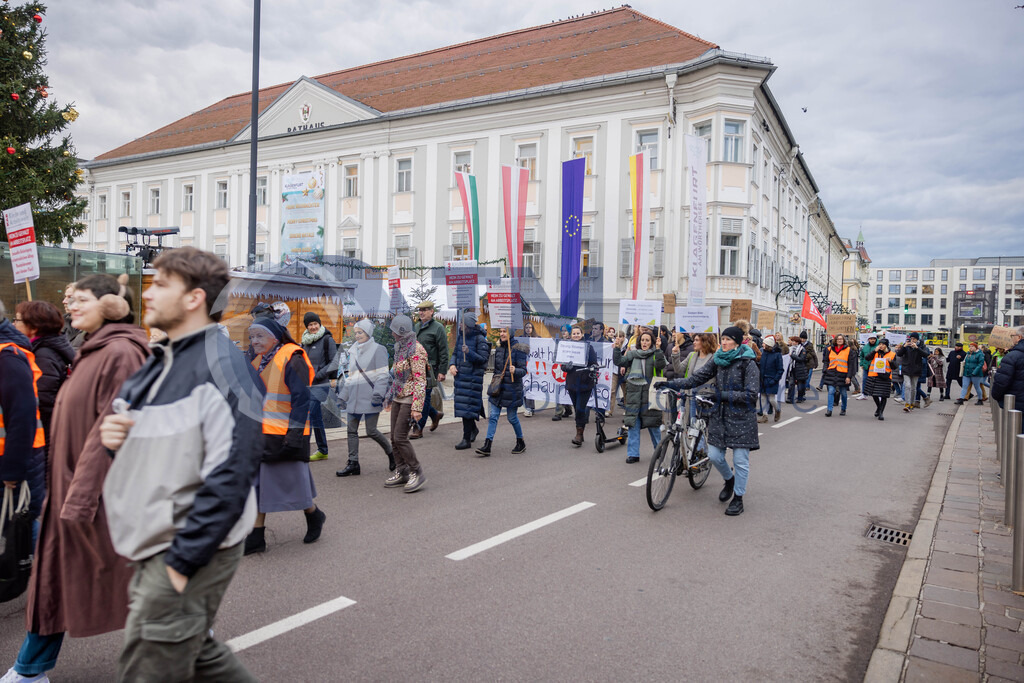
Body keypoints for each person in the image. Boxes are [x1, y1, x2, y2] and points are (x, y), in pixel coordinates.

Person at [97, 247, 261, 681]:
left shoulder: (225, 367)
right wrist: (117, 442)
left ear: (194, 298)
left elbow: (232, 476)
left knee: (148, 666)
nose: (147, 294)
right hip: (156, 539)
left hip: (187, 543)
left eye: (161, 284)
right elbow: (152, 454)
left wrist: (181, 561)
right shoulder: (157, 363)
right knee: (199, 657)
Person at [8, 275, 148, 683]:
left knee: (117, 576)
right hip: (73, 490)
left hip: (96, 496)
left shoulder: (121, 353)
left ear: (110, 305)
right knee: (59, 579)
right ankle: (30, 670)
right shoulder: (95, 349)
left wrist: (81, 497)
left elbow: (112, 429)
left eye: (80, 298)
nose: (68, 304)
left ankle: (188, 635)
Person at [243, 317, 325, 555]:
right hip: (262, 433)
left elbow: (302, 399)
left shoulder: (293, 357)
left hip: (285, 434)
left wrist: (295, 434)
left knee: (295, 482)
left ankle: (314, 515)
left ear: (274, 337)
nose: (254, 341)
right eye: (252, 336)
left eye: (259, 336)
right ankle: (257, 536)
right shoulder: (255, 358)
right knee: (259, 484)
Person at [659, 326, 759, 516]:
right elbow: (696, 378)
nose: (724, 342)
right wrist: (671, 383)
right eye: (723, 339)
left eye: (729, 339)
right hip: (719, 415)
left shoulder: (748, 363)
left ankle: (738, 498)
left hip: (741, 417)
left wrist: (722, 395)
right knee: (714, 456)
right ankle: (729, 480)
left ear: (737, 342)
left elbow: (751, 394)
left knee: (740, 460)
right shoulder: (718, 359)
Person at [0, 299, 46, 526]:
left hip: (11, 461)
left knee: (18, 536)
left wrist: (12, 469)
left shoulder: (8, 358)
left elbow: (22, 416)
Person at [336, 319, 394, 476]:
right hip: (354, 397)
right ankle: (353, 463)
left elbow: (383, 375)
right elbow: (352, 376)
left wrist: (378, 395)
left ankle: (391, 453)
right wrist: (343, 396)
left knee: (371, 430)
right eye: (355, 333)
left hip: (371, 397)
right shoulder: (354, 350)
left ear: (368, 332)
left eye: (360, 332)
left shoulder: (378, 349)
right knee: (351, 430)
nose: (357, 335)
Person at [13, 301, 74, 443]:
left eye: (17, 320)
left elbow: (43, 399)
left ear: (34, 327)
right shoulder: (40, 348)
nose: (14, 324)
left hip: (44, 430)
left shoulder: (43, 354)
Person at [382, 314, 428, 492]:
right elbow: (397, 376)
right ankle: (402, 472)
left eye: (394, 331)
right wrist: (389, 398)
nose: (392, 334)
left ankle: (417, 471)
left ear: (402, 333)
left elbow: (420, 380)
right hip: (398, 396)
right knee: (393, 437)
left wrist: (417, 408)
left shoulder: (416, 350)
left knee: (400, 437)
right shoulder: (401, 347)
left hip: (410, 398)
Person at [614, 329, 665, 464]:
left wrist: (659, 350)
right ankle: (633, 454)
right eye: (642, 340)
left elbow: (661, 365)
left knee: (653, 424)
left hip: (650, 394)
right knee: (633, 424)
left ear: (652, 342)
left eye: (647, 340)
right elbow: (619, 361)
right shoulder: (633, 354)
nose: (644, 342)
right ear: (639, 342)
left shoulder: (655, 354)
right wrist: (617, 348)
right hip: (634, 394)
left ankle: (659, 451)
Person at [476, 328, 528, 456]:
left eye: (505, 331)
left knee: (512, 418)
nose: (502, 334)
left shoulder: (519, 348)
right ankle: (487, 445)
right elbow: (496, 371)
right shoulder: (499, 349)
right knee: (493, 416)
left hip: (512, 389)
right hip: (498, 388)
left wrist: (515, 370)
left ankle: (520, 441)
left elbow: (523, 371)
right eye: (500, 331)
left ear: (510, 333)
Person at [301, 312, 338, 461]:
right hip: (307, 385)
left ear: (320, 324)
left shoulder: (327, 339)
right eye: (310, 325)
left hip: (320, 384)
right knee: (315, 417)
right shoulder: (305, 342)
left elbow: (334, 362)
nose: (313, 327)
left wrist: (317, 375)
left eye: (315, 323)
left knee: (309, 415)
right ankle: (323, 450)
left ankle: (303, 451)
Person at [450, 311, 490, 450]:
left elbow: (483, 360)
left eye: (462, 323)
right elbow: (455, 353)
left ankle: (466, 439)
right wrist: (452, 365)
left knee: (467, 409)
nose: (460, 325)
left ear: (468, 325)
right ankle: (473, 429)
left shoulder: (480, 339)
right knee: (464, 408)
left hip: (472, 379)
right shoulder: (462, 337)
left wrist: (469, 353)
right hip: (461, 377)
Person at [412, 301, 449, 439]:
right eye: (420, 310)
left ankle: (418, 427)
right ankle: (435, 414)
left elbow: (443, 351)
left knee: (424, 398)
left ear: (432, 311)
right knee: (418, 397)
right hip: (416, 368)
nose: (421, 312)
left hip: (430, 369)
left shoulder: (438, 328)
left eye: (425, 310)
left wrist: (442, 371)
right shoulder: (416, 327)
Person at [562, 325, 599, 447]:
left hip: (585, 383)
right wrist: (566, 367)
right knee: (577, 408)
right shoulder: (566, 347)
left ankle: (578, 434)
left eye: (578, 333)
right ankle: (580, 432)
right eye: (574, 334)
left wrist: (592, 368)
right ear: (571, 335)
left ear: (582, 334)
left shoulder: (589, 348)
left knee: (580, 408)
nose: (576, 335)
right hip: (572, 383)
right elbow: (562, 365)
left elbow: (594, 363)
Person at [992, 327, 1024, 421]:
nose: (1011, 338)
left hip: (1017, 403)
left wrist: (996, 395)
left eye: (1012, 336)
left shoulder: (1013, 356)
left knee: (1017, 431)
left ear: (1019, 337)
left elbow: (1002, 381)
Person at [821, 334, 856, 417]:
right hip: (831, 373)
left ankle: (843, 408)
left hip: (843, 374)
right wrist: (825, 369)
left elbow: (851, 365)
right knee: (831, 391)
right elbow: (826, 360)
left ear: (844, 340)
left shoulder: (848, 350)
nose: (839, 340)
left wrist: (849, 376)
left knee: (843, 393)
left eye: (841, 339)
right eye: (838, 339)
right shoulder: (829, 349)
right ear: (835, 340)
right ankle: (829, 410)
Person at [897, 333, 930, 411]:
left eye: (914, 339)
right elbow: (899, 354)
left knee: (914, 387)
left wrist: (917, 348)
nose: (912, 340)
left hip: (916, 369)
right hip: (906, 369)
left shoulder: (922, 346)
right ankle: (907, 403)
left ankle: (912, 403)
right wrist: (904, 347)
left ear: (917, 339)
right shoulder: (906, 346)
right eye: (911, 338)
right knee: (907, 385)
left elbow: (926, 355)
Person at [864, 339, 895, 420]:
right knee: (874, 394)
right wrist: (874, 351)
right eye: (880, 344)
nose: (881, 346)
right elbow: (867, 358)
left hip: (885, 377)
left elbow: (895, 367)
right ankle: (879, 407)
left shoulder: (892, 354)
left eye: (883, 344)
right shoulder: (876, 352)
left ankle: (881, 413)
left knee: (884, 395)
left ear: (887, 345)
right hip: (874, 375)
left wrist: (891, 361)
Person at [758, 335, 784, 423]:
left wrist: (775, 380)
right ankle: (764, 416)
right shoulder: (764, 352)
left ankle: (778, 410)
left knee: (771, 398)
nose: (762, 345)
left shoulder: (777, 355)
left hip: (771, 379)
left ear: (768, 345)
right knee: (763, 397)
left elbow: (780, 369)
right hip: (763, 379)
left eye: (764, 343)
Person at [551, 325, 574, 421]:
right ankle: (558, 413)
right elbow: (555, 354)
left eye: (566, 330)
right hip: (561, 368)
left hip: (571, 368)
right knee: (560, 389)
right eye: (562, 330)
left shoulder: (574, 342)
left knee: (568, 390)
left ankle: (568, 408)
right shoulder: (559, 342)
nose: (564, 332)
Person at [955, 342, 987, 406]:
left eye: (972, 346)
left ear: (976, 347)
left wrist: (975, 372)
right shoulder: (968, 354)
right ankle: (961, 399)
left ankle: (980, 399)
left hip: (976, 374)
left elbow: (980, 364)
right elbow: (965, 362)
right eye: (970, 346)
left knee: (977, 387)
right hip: (967, 373)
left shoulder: (980, 354)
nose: (971, 348)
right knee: (964, 386)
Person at [521, 321, 539, 417]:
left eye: (530, 327)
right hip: (524, 365)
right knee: (524, 387)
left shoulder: (537, 339)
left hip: (533, 366)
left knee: (530, 387)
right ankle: (528, 407)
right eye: (526, 327)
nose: (528, 329)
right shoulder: (521, 339)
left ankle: (530, 408)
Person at [787, 335, 808, 403]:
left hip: (800, 369)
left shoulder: (802, 349)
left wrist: (792, 356)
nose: (792, 342)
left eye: (793, 341)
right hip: (792, 368)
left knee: (800, 385)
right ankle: (790, 398)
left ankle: (800, 397)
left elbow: (801, 359)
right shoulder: (791, 349)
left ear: (797, 342)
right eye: (792, 341)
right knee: (791, 384)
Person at [857, 334, 879, 400]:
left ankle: (878, 395)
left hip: (876, 367)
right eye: (871, 339)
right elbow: (861, 356)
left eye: (874, 339)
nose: (872, 340)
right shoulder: (865, 347)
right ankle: (864, 394)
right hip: (866, 366)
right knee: (865, 380)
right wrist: (862, 364)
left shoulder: (879, 346)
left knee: (876, 381)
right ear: (868, 339)